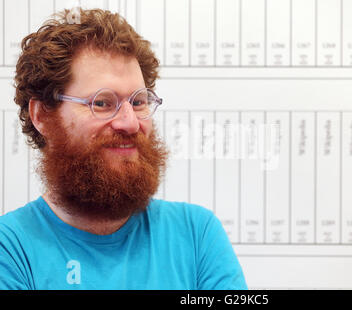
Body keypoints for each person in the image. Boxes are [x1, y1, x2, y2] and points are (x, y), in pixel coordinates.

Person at [0, 8, 247, 290]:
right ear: (42, 116)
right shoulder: (10, 250)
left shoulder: (196, 234)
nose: (130, 123)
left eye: (139, 102)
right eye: (102, 103)